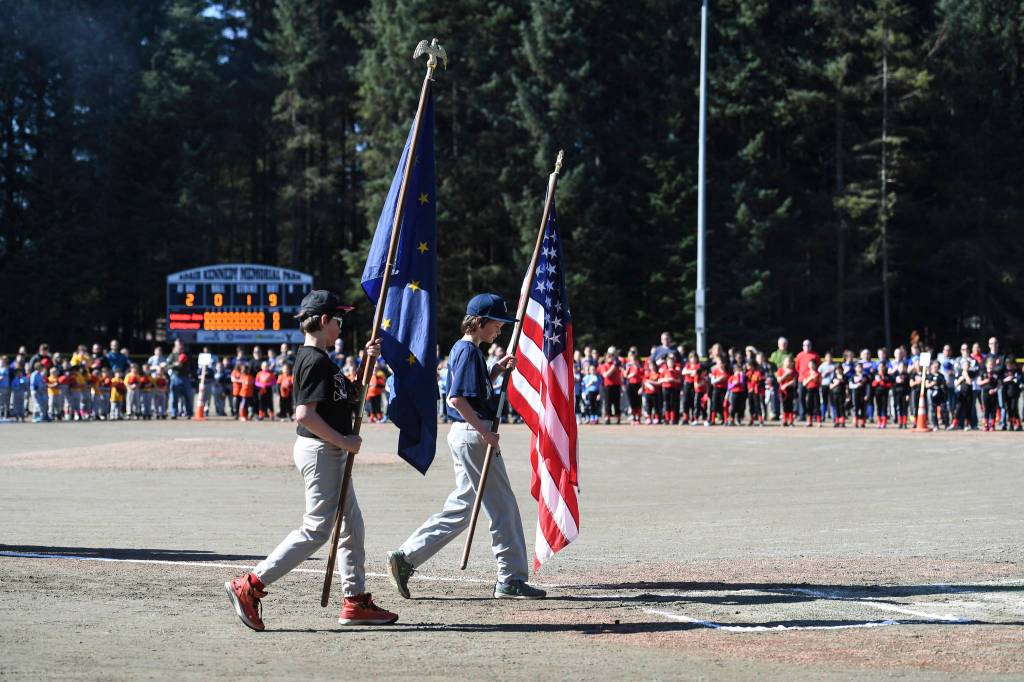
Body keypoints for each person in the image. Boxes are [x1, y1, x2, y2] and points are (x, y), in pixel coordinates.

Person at [224, 290, 398, 631]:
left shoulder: (322, 358)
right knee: (317, 529)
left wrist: (367, 360)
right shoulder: (312, 359)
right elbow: (304, 414)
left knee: (352, 526)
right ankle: (250, 585)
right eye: (338, 320)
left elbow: (351, 394)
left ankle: (355, 601)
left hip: (328, 450)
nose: (340, 327)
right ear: (322, 320)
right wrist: (345, 441)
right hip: (321, 451)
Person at [385, 293, 545, 601]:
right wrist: (483, 429)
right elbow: (456, 399)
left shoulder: (466, 351)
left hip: (464, 434)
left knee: (462, 507)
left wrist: (495, 371)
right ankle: (510, 578)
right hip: (472, 435)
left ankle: (406, 557)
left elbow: (473, 391)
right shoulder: (469, 352)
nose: (500, 331)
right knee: (503, 508)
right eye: (497, 325)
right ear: (480, 323)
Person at [794, 340, 820, 422]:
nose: (807, 346)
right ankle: (802, 414)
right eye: (805, 345)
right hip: (802, 379)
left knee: (813, 399)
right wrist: (803, 375)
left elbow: (818, 366)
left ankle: (814, 415)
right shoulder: (799, 355)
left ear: (811, 346)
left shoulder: (815, 355)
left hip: (812, 380)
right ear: (802, 346)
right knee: (801, 397)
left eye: (808, 345)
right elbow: (797, 367)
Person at [598, 348, 623, 425]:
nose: (610, 357)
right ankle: (607, 417)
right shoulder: (603, 365)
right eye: (608, 356)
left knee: (617, 402)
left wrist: (615, 366)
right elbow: (606, 375)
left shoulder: (616, 364)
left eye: (611, 356)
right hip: (607, 386)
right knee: (607, 402)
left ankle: (618, 417)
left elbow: (620, 374)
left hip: (616, 385)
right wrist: (613, 367)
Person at [659, 354, 683, 425]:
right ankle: (667, 418)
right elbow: (659, 380)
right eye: (669, 362)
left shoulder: (676, 371)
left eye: (672, 362)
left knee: (673, 404)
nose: (670, 364)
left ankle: (672, 419)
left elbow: (679, 380)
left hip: (673, 388)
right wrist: (666, 379)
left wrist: (673, 380)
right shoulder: (664, 370)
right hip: (665, 388)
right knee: (666, 404)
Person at [978, 357, 1001, 431]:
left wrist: (995, 390)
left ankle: (992, 425)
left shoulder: (996, 374)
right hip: (985, 393)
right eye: (989, 364)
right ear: (986, 365)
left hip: (993, 393)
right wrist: (985, 381)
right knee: (986, 409)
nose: (991, 366)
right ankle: (986, 424)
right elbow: (978, 382)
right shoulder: (983, 373)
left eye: (992, 365)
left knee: (993, 410)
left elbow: (999, 384)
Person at [624, 350, 644, 424]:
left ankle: (638, 417)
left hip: (638, 385)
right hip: (630, 385)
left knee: (638, 402)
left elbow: (643, 379)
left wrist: (642, 388)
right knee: (632, 402)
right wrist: (630, 374)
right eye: (631, 360)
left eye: (634, 360)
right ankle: (633, 417)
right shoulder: (629, 367)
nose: (632, 362)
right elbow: (625, 376)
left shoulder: (641, 368)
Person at [1001, 358, 1022, 431]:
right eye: (1007, 365)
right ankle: (1011, 424)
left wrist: (1013, 378)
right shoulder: (1004, 372)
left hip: (1015, 393)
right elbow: (1001, 381)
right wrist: (1006, 379)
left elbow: (1019, 380)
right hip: (1006, 393)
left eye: (1010, 365)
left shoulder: (1017, 372)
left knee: (1014, 408)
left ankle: (1018, 424)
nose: (1009, 366)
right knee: (1009, 409)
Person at [776, 357, 797, 427]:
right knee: (784, 405)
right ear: (783, 362)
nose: (787, 363)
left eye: (789, 362)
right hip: (782, 391)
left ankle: (791, 421)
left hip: (790, 389)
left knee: (790, 405)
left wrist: (786, 385)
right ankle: (784, 420)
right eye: (786, 361)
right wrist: (786, 374)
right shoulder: (780, 370)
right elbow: (779, 380)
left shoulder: (793, 371)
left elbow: (794, 382)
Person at [872, 361, 893, 428]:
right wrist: (876, 381)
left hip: (885, 393)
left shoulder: (887, 376)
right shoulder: (875, 375)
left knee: (884, 407)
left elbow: (891, 384)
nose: (881, 368)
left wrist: (883, 383)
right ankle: (879, 421)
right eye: (879, 367)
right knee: (878, 407)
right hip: (877, 393)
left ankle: (884, 422)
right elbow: (872, 384)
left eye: (882, 367)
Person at [801, 359, 822, 426]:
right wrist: (810, 378)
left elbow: (820, 383)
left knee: (817, 406)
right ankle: (809, 421)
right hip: (809, 390)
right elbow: (804, 383)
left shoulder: (818, 373)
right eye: (810, 364)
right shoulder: (806, 373)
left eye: (813, 364)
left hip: (816, 390)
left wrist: (816, 379)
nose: (811, 366)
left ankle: (819, 421)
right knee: (809, 406)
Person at [745, 358, 765, 426]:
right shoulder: (747, 373)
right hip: (750, 391)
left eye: (748, 365)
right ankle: (751, 420)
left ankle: (760, 420)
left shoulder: (758, 373)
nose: (747, 366)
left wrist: (754, 387)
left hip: (756, 392)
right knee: (751, 406)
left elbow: (760, 382)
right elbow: (746, 382)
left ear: (753, 366)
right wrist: (749, 388)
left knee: (757, 406)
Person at [727, 362, 747, 426]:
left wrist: (741, 376)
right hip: (734, 393)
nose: (738, 372)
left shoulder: (742, 377)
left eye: (740, 370)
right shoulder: (731, 377)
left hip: (741, 393)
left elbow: (742, 383)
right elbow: (729, 387)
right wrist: (734, 384)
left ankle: (738, 419)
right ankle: (731, 419)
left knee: (740, 407)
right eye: (737, 370)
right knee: (733, 407)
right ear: (734, 371)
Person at [828, 362, 848, 427]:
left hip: (842, 394)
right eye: (837, 369)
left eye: (839, 369)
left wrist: (848, 395)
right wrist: (835, 383)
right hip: (834, 394)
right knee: (836, 408)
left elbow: (847, 386)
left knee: (842, 408)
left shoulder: (845, 377)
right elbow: (830, 386)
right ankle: (837, 421)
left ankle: (842, 421)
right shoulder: (834, 377)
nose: (838, 370)